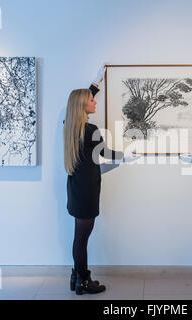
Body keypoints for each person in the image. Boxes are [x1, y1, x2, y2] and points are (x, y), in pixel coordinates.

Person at [63, 65, 123, 295]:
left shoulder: (71, 128)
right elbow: (107, 154)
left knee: (79, 237)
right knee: (81, 239)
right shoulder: (90, 129)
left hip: (76, 188)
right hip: (87, 191)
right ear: (83, 105)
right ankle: (83, 281)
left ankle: (76, 277)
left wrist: (95, 85)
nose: (95, 102)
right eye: (92, 99)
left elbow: (77, 102)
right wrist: (129, 152)